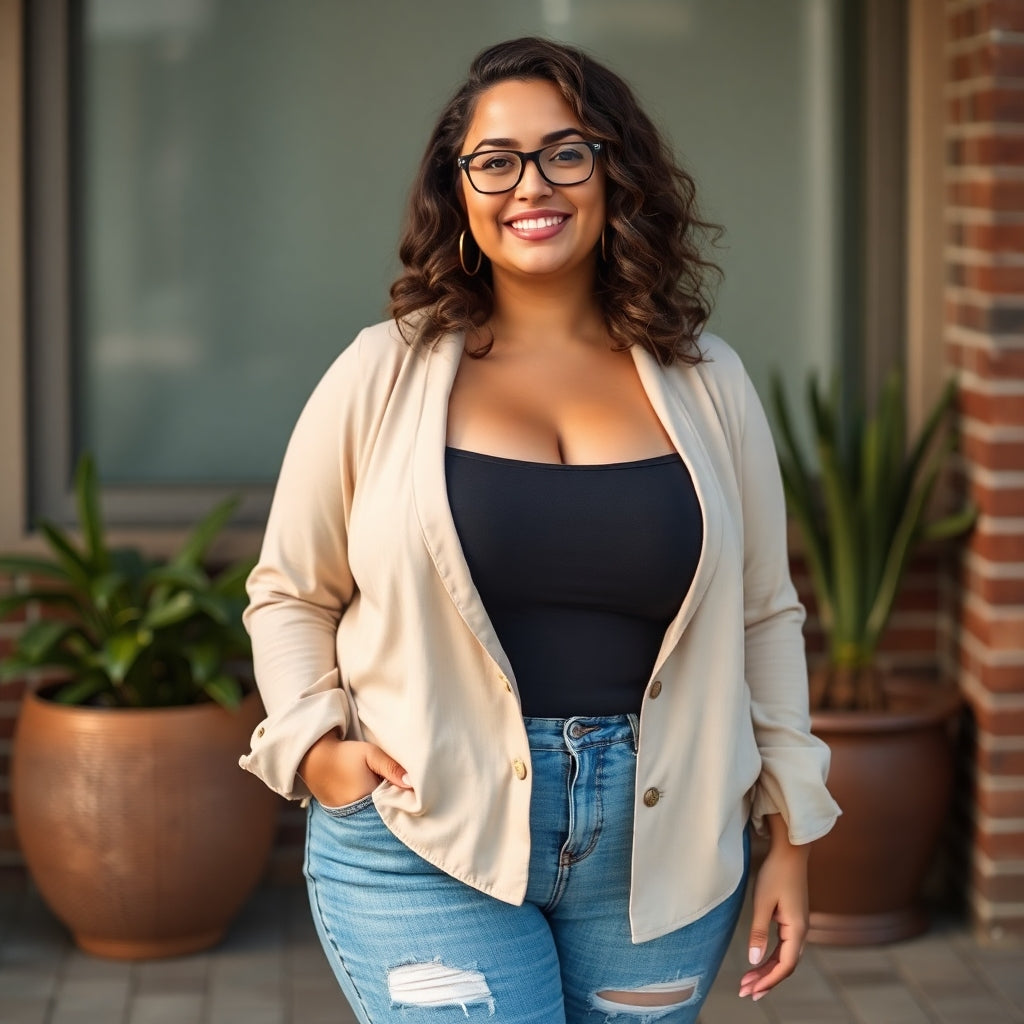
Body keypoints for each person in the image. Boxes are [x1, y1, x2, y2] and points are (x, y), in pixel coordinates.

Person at [240, 36, 840, 1024]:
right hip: (423, 835)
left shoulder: (706, 381)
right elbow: (290, 590)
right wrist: (315, 747)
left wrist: (791, 839)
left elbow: (765, 617)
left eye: (566, 152)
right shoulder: (379, 374)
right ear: (460, 190)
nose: (533, 184)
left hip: (664, 849)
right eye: (496, 159)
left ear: (614, 174)